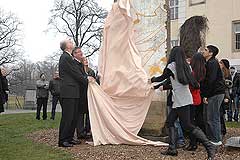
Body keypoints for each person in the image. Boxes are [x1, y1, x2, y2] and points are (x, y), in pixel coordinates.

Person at [150, 46, 215, 160]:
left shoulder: (171, 66)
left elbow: (163, 77)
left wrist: (152, 80)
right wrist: (156, 86)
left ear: (173, 54)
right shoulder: (187, 66)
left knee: (188, 126)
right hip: (184, 98)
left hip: (180, 100)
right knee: (170, 122)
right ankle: (172, 149)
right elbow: (175, 81)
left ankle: (209, 146)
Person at [58, 40, 93, 147]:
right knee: (67, 117)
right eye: (69, 41)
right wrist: (86, 79)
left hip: (73, 92)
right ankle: (63, 140)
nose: (71, 41)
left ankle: (69, 138)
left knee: (73, 117)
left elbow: (76, 73)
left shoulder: (68, 57)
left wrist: (85, 77)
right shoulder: (65, 57)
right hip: (68, 92)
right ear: (67, 46)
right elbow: (75, 73)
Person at [201, 45, 225, 145]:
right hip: (214, 93)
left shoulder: (212, 63)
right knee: (209, 117)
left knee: (212, 117)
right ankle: (213, 138)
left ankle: (216, 139)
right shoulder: (210, 63)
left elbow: (211, 80)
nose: (203, 51)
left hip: (215, 93)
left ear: (211, 53)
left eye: (206, 50)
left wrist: (206, 95)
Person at [185, 52, 206, 151]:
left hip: (191, 98)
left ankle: (193, 143)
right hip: (198, 98)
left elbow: (191, 86)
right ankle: (198, 140)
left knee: (190, 122)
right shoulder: (203, 70)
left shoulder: (192, 72)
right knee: (196, 120)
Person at [77, 57, 95, 139]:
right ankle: (80, 132)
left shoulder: (91, 71)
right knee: (80, 114)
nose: (86, 61)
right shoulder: (79, 71)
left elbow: (94, 81)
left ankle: (88, 130)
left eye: (87, 60)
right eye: (84, 60)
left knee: (89, 113)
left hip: (89, 94)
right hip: (81, 94)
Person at [219, 59, 231, 137]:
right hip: (221, 94)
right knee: (220, 113)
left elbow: (228, 86)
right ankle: (222, 129)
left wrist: (226, 97)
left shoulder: (227, 74)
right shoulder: (220, 72)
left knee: (221, 113)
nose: (219, 64)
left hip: (224, 95)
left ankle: (223, 130)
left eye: (221, 63)